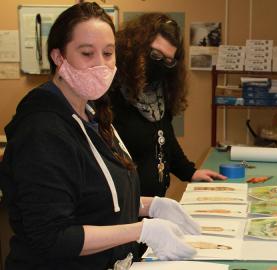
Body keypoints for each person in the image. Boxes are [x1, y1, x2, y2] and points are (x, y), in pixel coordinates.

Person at [0, 3, 200, 269]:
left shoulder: (93, 113)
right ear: (59, 57)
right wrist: (141, 231)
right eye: (86, 53)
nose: (101, 64)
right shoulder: (42, 129)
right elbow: (51, 237)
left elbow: (97, 197)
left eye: (108, 53)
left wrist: (150, 206)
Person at [110, 13, 226, 197]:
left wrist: (190, 172)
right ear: (135, 48)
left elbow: (164, 138)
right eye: (155, 55)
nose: (160, 64)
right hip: (124, 212)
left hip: (152, 207)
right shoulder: (111, 93)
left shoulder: (158, 91)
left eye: (168, 60)